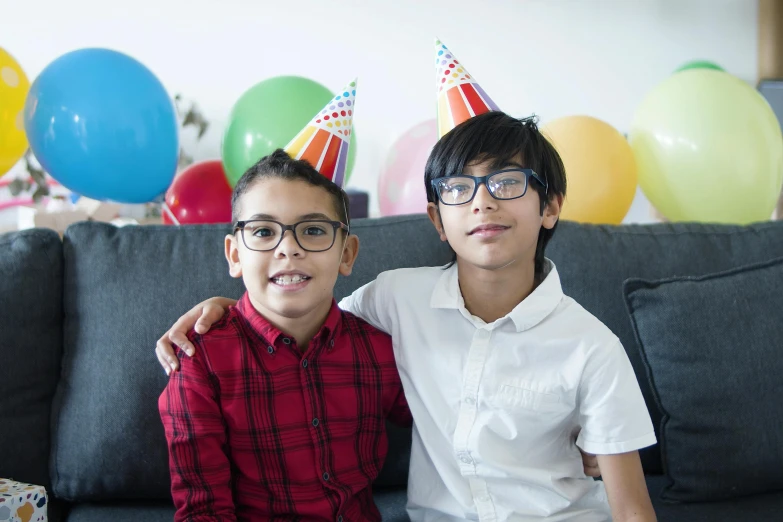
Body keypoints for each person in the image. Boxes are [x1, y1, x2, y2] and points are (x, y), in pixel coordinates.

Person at [157, 111, 656, 521]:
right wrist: (227, 311)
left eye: (505, 182)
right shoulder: (396, 301)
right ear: (438, 218)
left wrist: (583, 437)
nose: (483, 201)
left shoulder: (591, 345)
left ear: (550, 206)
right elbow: (300, 318)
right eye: (460, 188)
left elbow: (630, 503)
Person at [158, 149, 412, 522]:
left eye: (312, 230)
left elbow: (448, 420)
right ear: (234, 256)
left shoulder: (379, 350)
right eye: (263, 231)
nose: (288, 248)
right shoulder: (200, 364)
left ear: (347, 254)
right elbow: (203, 511)